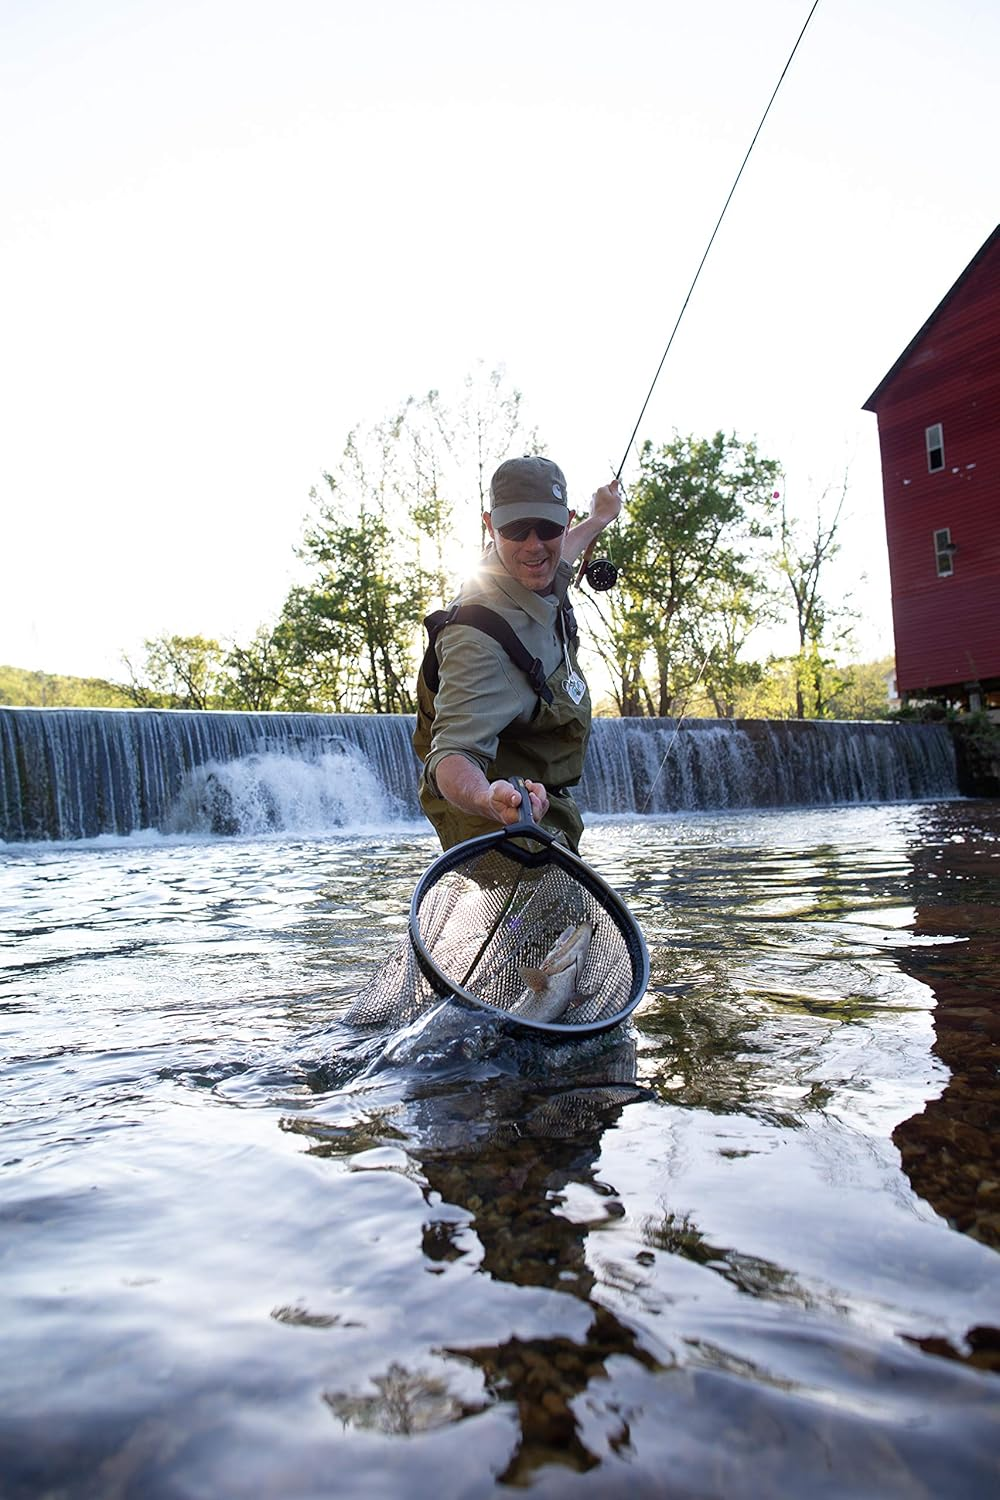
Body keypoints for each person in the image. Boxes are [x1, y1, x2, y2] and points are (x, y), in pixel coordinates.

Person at [413, 454, 622, 851]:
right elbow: (450, 757)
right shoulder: (475, 639)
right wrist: (487, 799)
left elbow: (562, 553)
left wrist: (598, 519)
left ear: (566, 520)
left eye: (548, 527)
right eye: (515, 529)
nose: (533, 546)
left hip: (546, 800)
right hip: (490, 819)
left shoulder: (540, 565)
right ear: (490, 526)